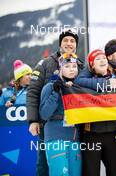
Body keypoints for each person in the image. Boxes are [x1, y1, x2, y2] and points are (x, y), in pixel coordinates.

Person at [26, 29, 81, 175]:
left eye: (72, 41)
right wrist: (33, 120)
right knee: (44, 164)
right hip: (48, 124)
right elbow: (33, 92)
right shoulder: (45, 63)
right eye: (66, 40)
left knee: (73, 167)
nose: (69, 43)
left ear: (76, 45)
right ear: (60, 43)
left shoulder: (79, 64)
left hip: (73, 128)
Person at [79, 49, 116, 176]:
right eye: (97, 59)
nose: (102, 60)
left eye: (104, 58)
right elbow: (77, 81)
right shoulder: (85, 82)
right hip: (92, 135)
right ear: (92, 65)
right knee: (91, 172)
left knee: (115, 172)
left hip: (113, 134)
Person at [39, 53, 81, 176]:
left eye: (74, 66)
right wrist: (56, 92)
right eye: (67, 66)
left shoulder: (79, 88)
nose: (72, 69)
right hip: (56, 138)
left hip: (75, 139)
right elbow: (44, 114)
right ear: (60, 69)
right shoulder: (50, 87)